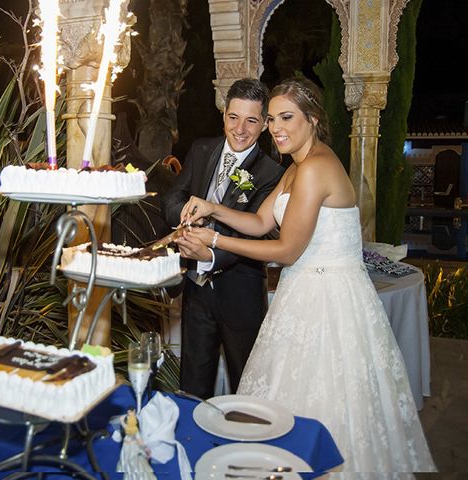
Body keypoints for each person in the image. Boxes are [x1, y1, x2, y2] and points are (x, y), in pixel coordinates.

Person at [176, 77, 435, 472]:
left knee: (323, 398)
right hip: (303, 290)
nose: (277, 128)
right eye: (274, 119)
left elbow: (286, 249)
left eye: (286, 117)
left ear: (312, 119)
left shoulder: (315, 167)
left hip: (327, 298)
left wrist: (215, 240)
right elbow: (263, 221)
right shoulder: (297, 165)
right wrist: (213, 209)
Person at [160, 78, 286, 399]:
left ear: (264, 126)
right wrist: (184, 216)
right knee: (193, 386)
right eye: (234, 117)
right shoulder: (201, 149)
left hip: (239, 295)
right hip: (195, 292)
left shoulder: (272, 173)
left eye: (251, 120)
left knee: (245, 385)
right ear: (224, 115)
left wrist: (210, 254)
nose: (240, 129)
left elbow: (263, 233)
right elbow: (173, 196)